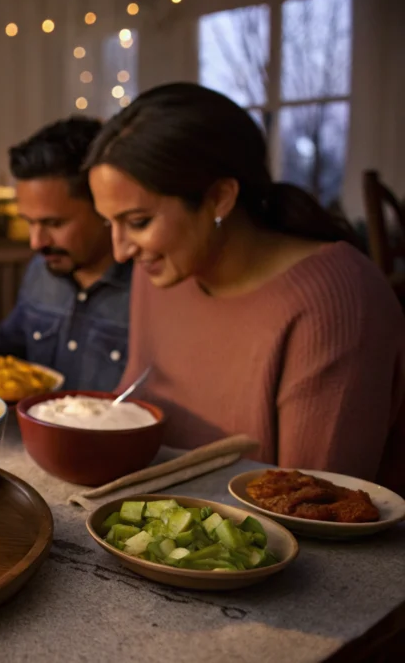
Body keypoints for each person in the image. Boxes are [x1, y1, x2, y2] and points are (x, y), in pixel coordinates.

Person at [87, 81, 405, 491]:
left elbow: (315, 508)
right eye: (107, 223)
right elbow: (136, 407)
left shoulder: (337, 298)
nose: (119, 251)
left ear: (219, 197)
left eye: (138, 222)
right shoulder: (163, 270)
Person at [0, 117, 131, 392]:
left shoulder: (150, 287)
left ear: (104, 207)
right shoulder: (42, 270)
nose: (36, 242)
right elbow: (13, 339)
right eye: (29, 222)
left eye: (54, 224)